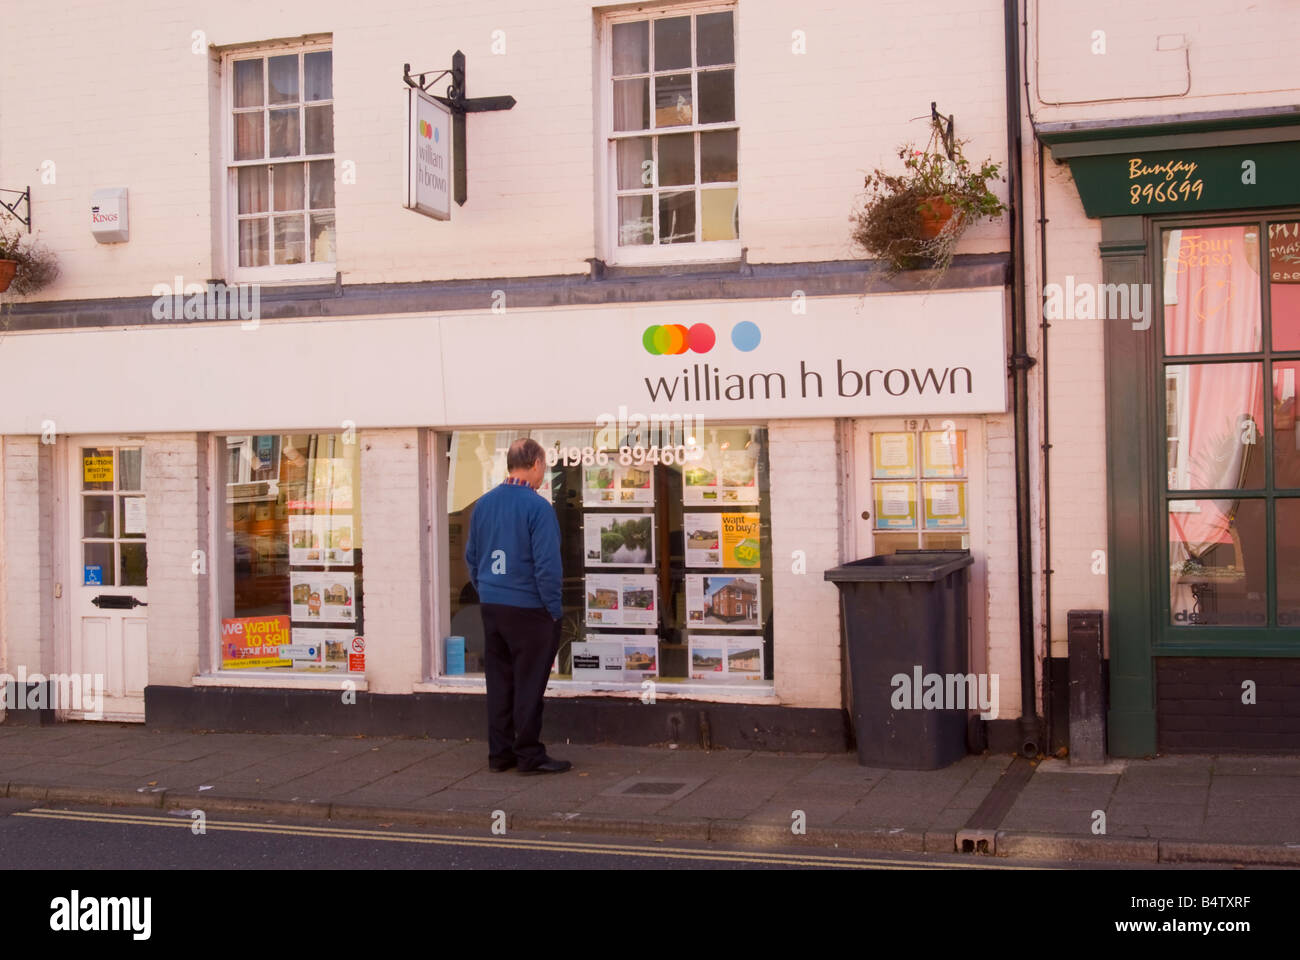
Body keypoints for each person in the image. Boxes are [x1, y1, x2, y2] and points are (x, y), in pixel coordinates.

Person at [464, 437, 572, 774]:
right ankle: (529, 755)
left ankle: (500, 755)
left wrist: (488, 590)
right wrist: (553, 610)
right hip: (529, 608)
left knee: (499, 682)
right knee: (529, 683)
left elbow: (472, 557)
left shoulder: (483, 504)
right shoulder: (537, 507)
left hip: (493, 606)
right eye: (544, 466)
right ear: (537, 464)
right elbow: (547, 566)